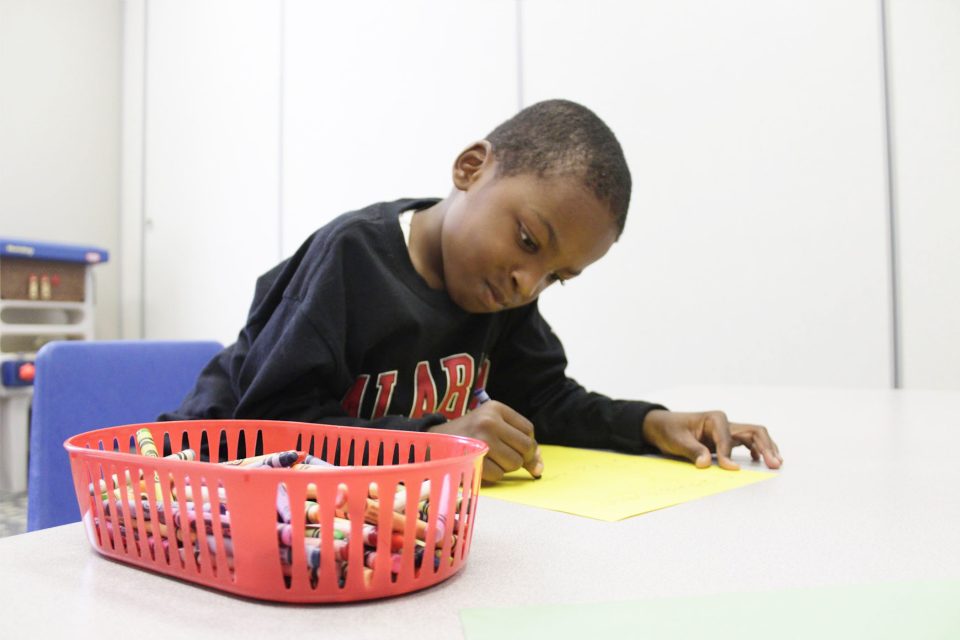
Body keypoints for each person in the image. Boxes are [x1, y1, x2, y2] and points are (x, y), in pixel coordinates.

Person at [160, 99, 782, 481]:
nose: (527, 283)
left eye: (556, 277)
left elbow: (544, 401)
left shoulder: (503, 295)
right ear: (470, 168)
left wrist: (649, 423)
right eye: (530, 242)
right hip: (192, 490)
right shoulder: (350, 259)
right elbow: (271, 428)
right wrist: (436, 445)